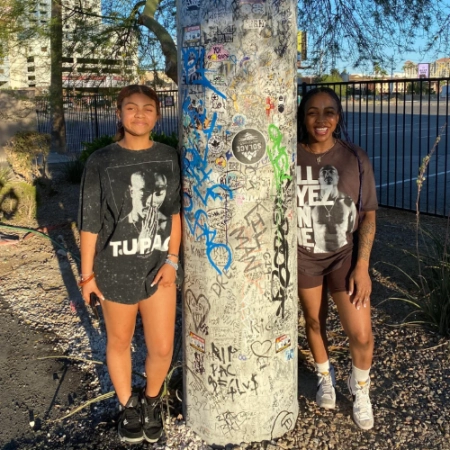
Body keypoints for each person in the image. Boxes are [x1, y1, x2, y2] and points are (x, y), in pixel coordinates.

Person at [78, 85, 181, 444]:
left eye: (148, 108)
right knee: (119, 341)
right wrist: (87, 274)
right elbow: (90, 222)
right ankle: (128, 406)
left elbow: (175, 213)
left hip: (158, 269)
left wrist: (172, 260)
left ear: (158, 114)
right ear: (119, 113)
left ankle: (152, 401)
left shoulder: (169, 156)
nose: (140, 115)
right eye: (131, 108)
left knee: (162, 347)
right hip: (114, 269)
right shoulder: (102, 161)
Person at [296, 87, 378, 430]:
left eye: (329, 112)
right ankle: (325, 375)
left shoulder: (354, 158)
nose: (321, 119)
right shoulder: (289, 155)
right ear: (303, 116)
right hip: (303, 257)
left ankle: (360, 388)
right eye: (313, 112)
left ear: (338, 117)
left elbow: (369, 215)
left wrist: (362, 266)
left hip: (343, 256)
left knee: (361, 333)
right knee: (314, 323)